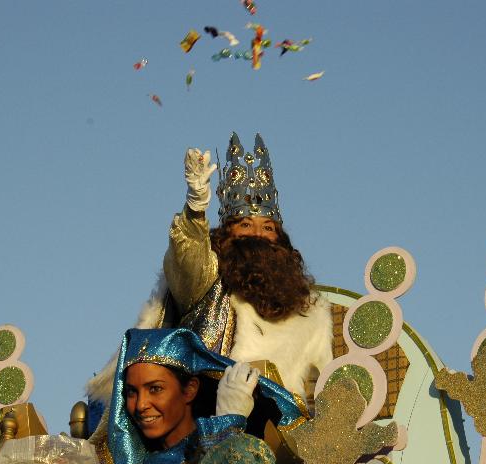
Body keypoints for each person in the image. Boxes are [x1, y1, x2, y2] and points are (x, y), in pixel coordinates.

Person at [86, 133, 332, 429]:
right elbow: (188, 263)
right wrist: (195, 207)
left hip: (278, 426)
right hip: (200, 412)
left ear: (280, 240)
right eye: (244, 224)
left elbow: (324, 380)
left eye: (267, 227)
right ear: (226, 236)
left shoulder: (310, 310)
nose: (257, 234)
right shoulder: (211, 282)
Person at [97, 327, 305, 464]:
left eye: (155, 389)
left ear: (189, 390)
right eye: (132, 392)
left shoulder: (225, 448)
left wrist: (227, 431)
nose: (141, 404)